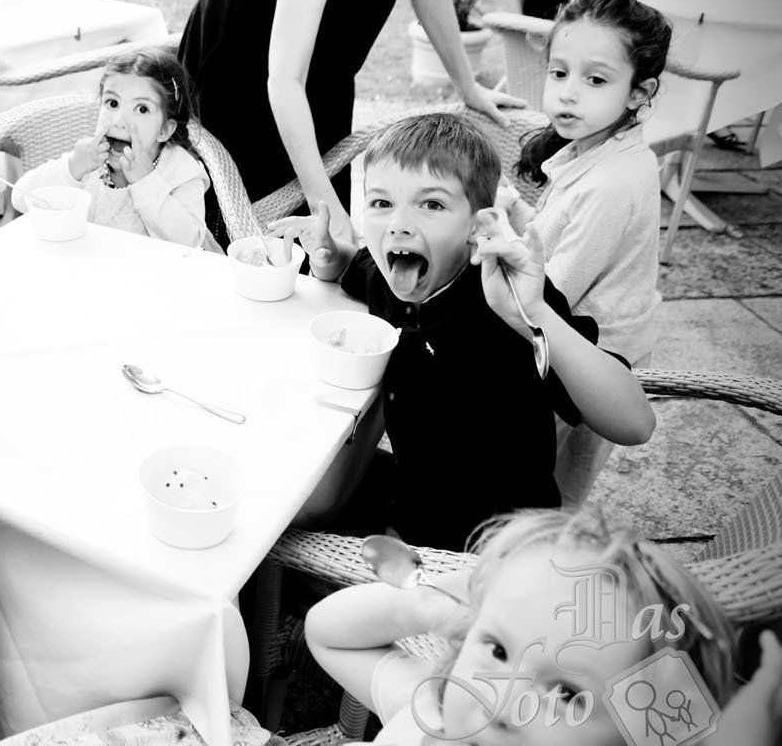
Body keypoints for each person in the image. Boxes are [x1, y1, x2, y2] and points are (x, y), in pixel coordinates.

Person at [272, 113, 654, 549]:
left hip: (493, 547)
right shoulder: (393, 276)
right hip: (417, 499)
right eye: (381, 203)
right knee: (284, 478)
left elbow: (635, 424)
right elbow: (355, 266)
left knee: (288, 514)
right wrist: (328, 256)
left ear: (478, 225)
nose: (398, 224)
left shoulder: (509, 300)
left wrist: (533, 315)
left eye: (431, 205)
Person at [263, 507, 738, 746]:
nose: (498, 702)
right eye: (497, 649)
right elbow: (327, 635)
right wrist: (425, 607)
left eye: (567, 694)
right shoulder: (431, 717)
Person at [178, 0, 524, 251]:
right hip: (236, 93)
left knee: (323, 257)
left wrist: (468, 87)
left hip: (321, 89)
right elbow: (284, 80)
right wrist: (323, 205)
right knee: (246, 251)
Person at [502, 0, 671, 505]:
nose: (568, 93)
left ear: (639, 92)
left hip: (590, 362)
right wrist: (513, 210)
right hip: (575, 338)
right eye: (559, 73)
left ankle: (537, 548)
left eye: (595, 79)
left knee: (547, 491)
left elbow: (549, 296)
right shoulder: (595, 149)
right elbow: (554, 235)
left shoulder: (611, 184)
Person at [9, 48, 221, 252]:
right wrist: (73, 167)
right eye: (112, 103)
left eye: (142, 109)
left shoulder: (181, 171)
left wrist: (146, 183)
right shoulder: (89, 162)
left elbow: (190, 242)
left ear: (164, 129)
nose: (119, 121)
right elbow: (20, 199)